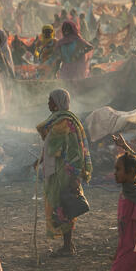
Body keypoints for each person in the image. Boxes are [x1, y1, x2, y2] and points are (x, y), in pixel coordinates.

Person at [36, 89, 92, 256]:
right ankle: (67, 245)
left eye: (50, 100)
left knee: (65, 205)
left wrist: (75, 175)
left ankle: (68, 246)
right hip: (57, 169)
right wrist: (40, 160)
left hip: (64, 171)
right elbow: (50, 146)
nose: (48, 103)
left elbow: (74, 150)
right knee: (60, 205)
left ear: (58, 102)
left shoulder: (65, 122)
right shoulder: (59, 120)